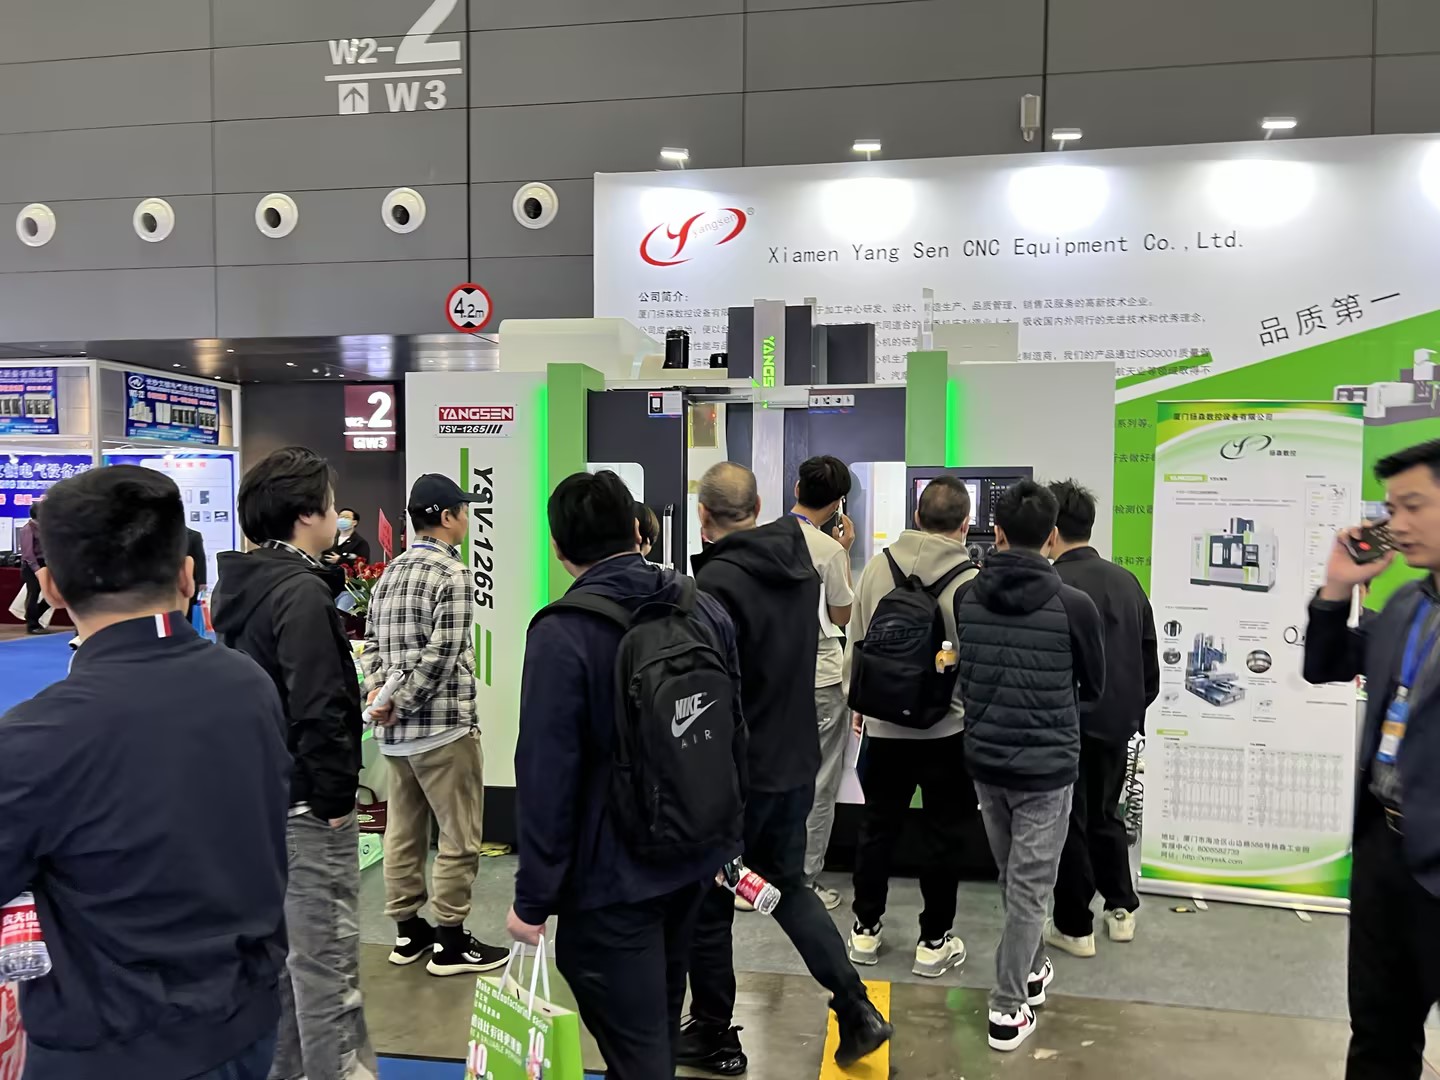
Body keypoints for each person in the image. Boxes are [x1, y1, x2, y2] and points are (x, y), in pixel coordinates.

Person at [0, 465, 290, 1080]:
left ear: (51, 588)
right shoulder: (249, 685)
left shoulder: (35, 736)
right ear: (187, 574)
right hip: (246, 1023)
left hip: (110, 1048)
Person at [507, 470, 744, 1080]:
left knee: (639, 1050)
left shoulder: (563, 632)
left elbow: (546, 775)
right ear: (638, 531)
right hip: (692, 855)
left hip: (611, 879)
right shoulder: (701, 607)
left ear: (558, 548)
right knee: (656, 1017)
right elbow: (734, 729)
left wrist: (532, 899)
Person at [682, 462, 891, 1074]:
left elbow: (711, 692)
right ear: (759, 506)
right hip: (793, 759)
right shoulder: (802, 565)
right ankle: (855, 1007)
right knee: (787, 887)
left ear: (702, 514)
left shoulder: (715, 583)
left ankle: (712, 1030)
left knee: (709, 899)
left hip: (737, 771)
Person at [211, 447, 376, 1080]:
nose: (338, 516)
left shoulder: (243, 587)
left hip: (262, 800)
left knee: (286, 963)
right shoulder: (300, 592)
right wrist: (335, 800)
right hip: (308, 805)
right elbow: (318, 704)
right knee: (327, 962)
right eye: (331, 506)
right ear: (307, 514)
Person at [1303, 439, 1440, 1080]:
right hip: (1386, 855)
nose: (1397, 524)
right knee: (1380, 1034)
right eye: (1391, 509)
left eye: (1413, 505)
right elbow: (1327, 663)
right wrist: (1338, 585)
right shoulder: (1408, 605)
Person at [954, 479, 1105, 1054]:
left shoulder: (968, 597)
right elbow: (1095, 685)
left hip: (986, 760)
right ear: (1051, 537)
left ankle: (1033, 969)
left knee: (1017, 879)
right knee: (1028, 886)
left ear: (995, 532)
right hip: (1046, 767)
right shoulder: (1074, 605)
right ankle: (1006, 1005)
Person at [362, 474, 508, 976]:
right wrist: (404, 701)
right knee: (458, 836)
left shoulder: (389, 573)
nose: (467, 519)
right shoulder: (455, 574)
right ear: (446, 517)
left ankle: (408, 933)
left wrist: (382, 699)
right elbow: (443, 655)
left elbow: (371, 647)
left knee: (402, 834)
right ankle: (450, 941)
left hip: (395, 739)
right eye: (463, 511)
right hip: (444, 731)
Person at [845, 476, 978, 977]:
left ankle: (864, 930)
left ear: (917, 517)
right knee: (944, 835)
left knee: (877, 828)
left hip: (883, 729)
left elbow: (858, 639)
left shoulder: (878, 567)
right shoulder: (971, 581)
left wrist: (859, 702)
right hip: (947, 731)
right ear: (965, 524)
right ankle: (933, 941)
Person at [1043, 480, 1158, 957]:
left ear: (1051, 531)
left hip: (1065, 724)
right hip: (1118, 722)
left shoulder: (1052, 586)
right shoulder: (1127, 582)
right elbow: (1149, 660)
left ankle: (1075, 927)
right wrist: (1133, 711)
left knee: (1070, 821)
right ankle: (1121, 907)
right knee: (1107, 813)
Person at [790, 455, 856, 911]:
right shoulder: (828, 551)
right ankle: (804, 880)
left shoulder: (764, 539)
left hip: (773, 678)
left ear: (797, 489)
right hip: (820, 678)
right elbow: (841, 615)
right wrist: (843, 551)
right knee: (820, 781)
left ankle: (758, 875)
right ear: (837, 504)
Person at [18, 502, 48, 633]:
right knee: (33, 594)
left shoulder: (45, 528)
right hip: (31, 566)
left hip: (46, 564)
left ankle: (33, 616)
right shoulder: (28, 529)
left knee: (53, 594)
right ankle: (32, 625)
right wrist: (37, 570)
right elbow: (28, 553)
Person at [187, 526, 207, 625]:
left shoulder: (194, 536)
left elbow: (200, 559)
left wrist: (202, 581)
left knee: (189, 614)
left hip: (190, 582)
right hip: (167, 584)